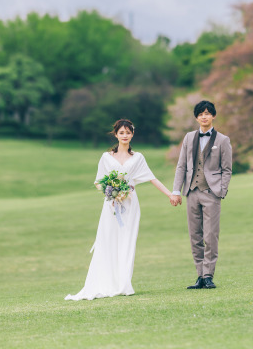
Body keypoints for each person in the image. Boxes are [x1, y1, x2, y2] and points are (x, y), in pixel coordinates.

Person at [65, 119, 181, 301]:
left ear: (132, 134)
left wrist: (170, 194)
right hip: (111, 204)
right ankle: (105, 281)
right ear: (116, 135)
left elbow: (152, 178)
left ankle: (123, 283)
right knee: (108, 240)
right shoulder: (106, 157)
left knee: (127, 241)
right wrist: (111, 190)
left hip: (130, 204)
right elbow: (98, 181)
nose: (125, 135)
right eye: (121, 133)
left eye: (128, 132)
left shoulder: (138, 157)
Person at [172, 100, 232, 289]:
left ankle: (208, 275)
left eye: (207, 113)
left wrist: (220, 191)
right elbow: (182, 165)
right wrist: (176, 190)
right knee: (195, 236)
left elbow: (227, 169)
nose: (204, 116)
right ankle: (199, 275)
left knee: (211, 235)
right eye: (201, 113)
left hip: (211, 193)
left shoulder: (223, 140)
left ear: (213, 116)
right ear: (196, 117)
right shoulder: (189, 138)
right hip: (192, 193)